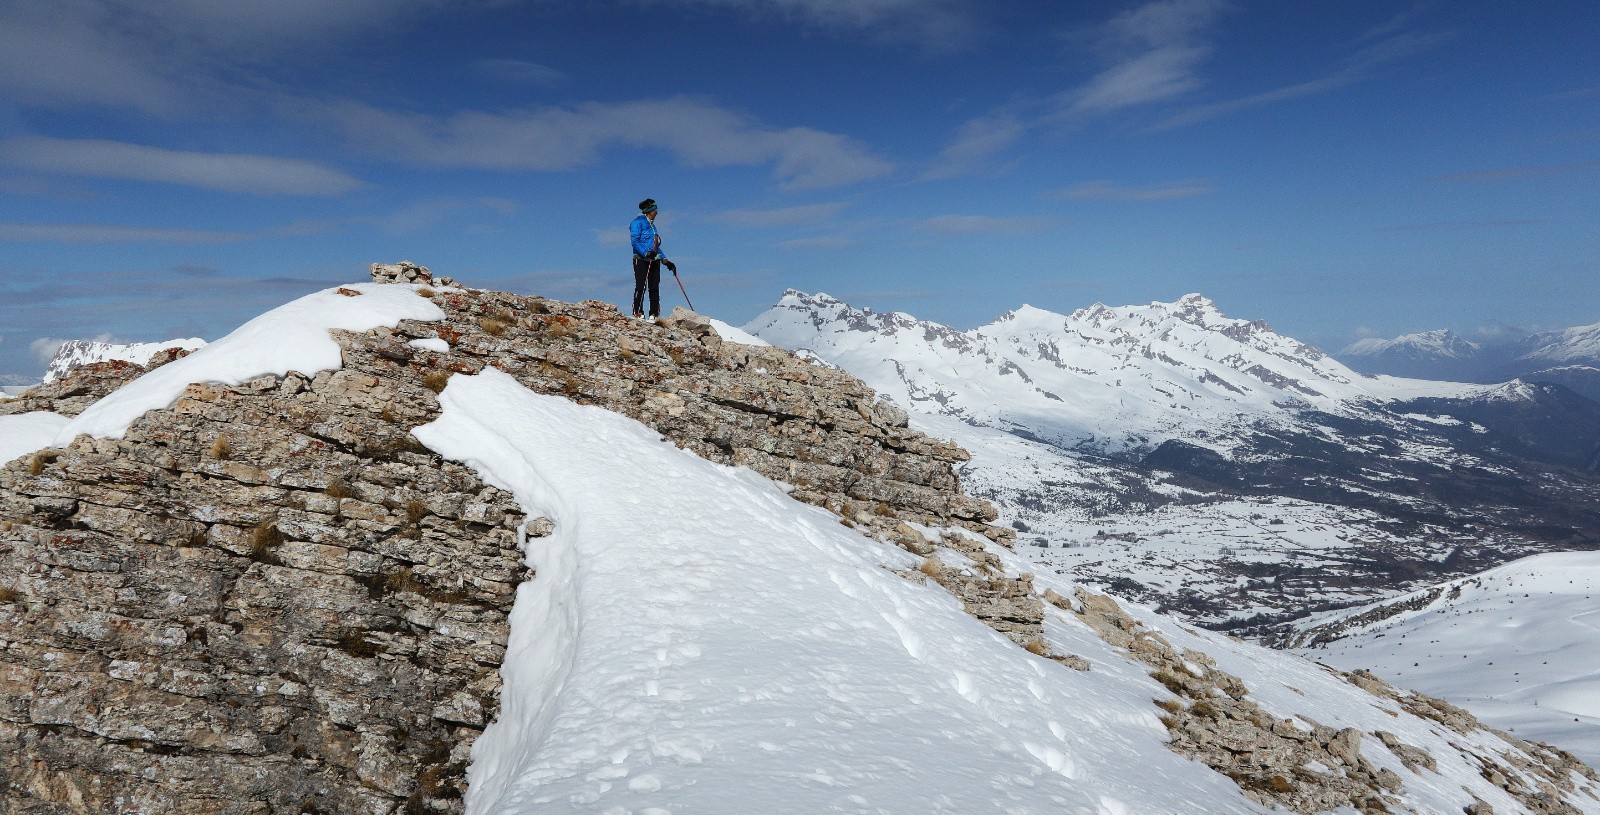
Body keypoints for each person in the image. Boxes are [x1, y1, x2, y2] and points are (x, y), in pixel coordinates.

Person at [629, 198, 676, 319]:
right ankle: (638, 312)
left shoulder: (653, 226)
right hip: (640, 259)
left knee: (654, 287)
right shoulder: (637, 223)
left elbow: (655, 246)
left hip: (654, 259)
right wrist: (645, 253)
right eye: (655, 210)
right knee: (641, 286)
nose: (657, 213)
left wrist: (666, 261)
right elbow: (635, 242)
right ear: (649, 211)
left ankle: (654, 314)